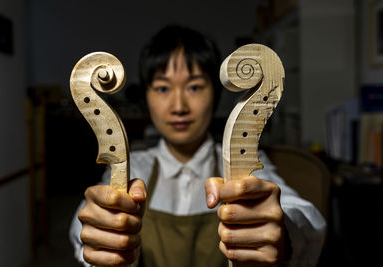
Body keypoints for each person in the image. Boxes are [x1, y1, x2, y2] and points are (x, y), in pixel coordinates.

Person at [70, 25, 326, 267]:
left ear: (215, 93)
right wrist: (99, 234)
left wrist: (281, 232)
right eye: (162, 88)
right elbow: (83, 226)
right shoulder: (135, 164)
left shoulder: (244, 161)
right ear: (146, 96)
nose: (178, 106)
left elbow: (302, 216)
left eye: (194, 87)